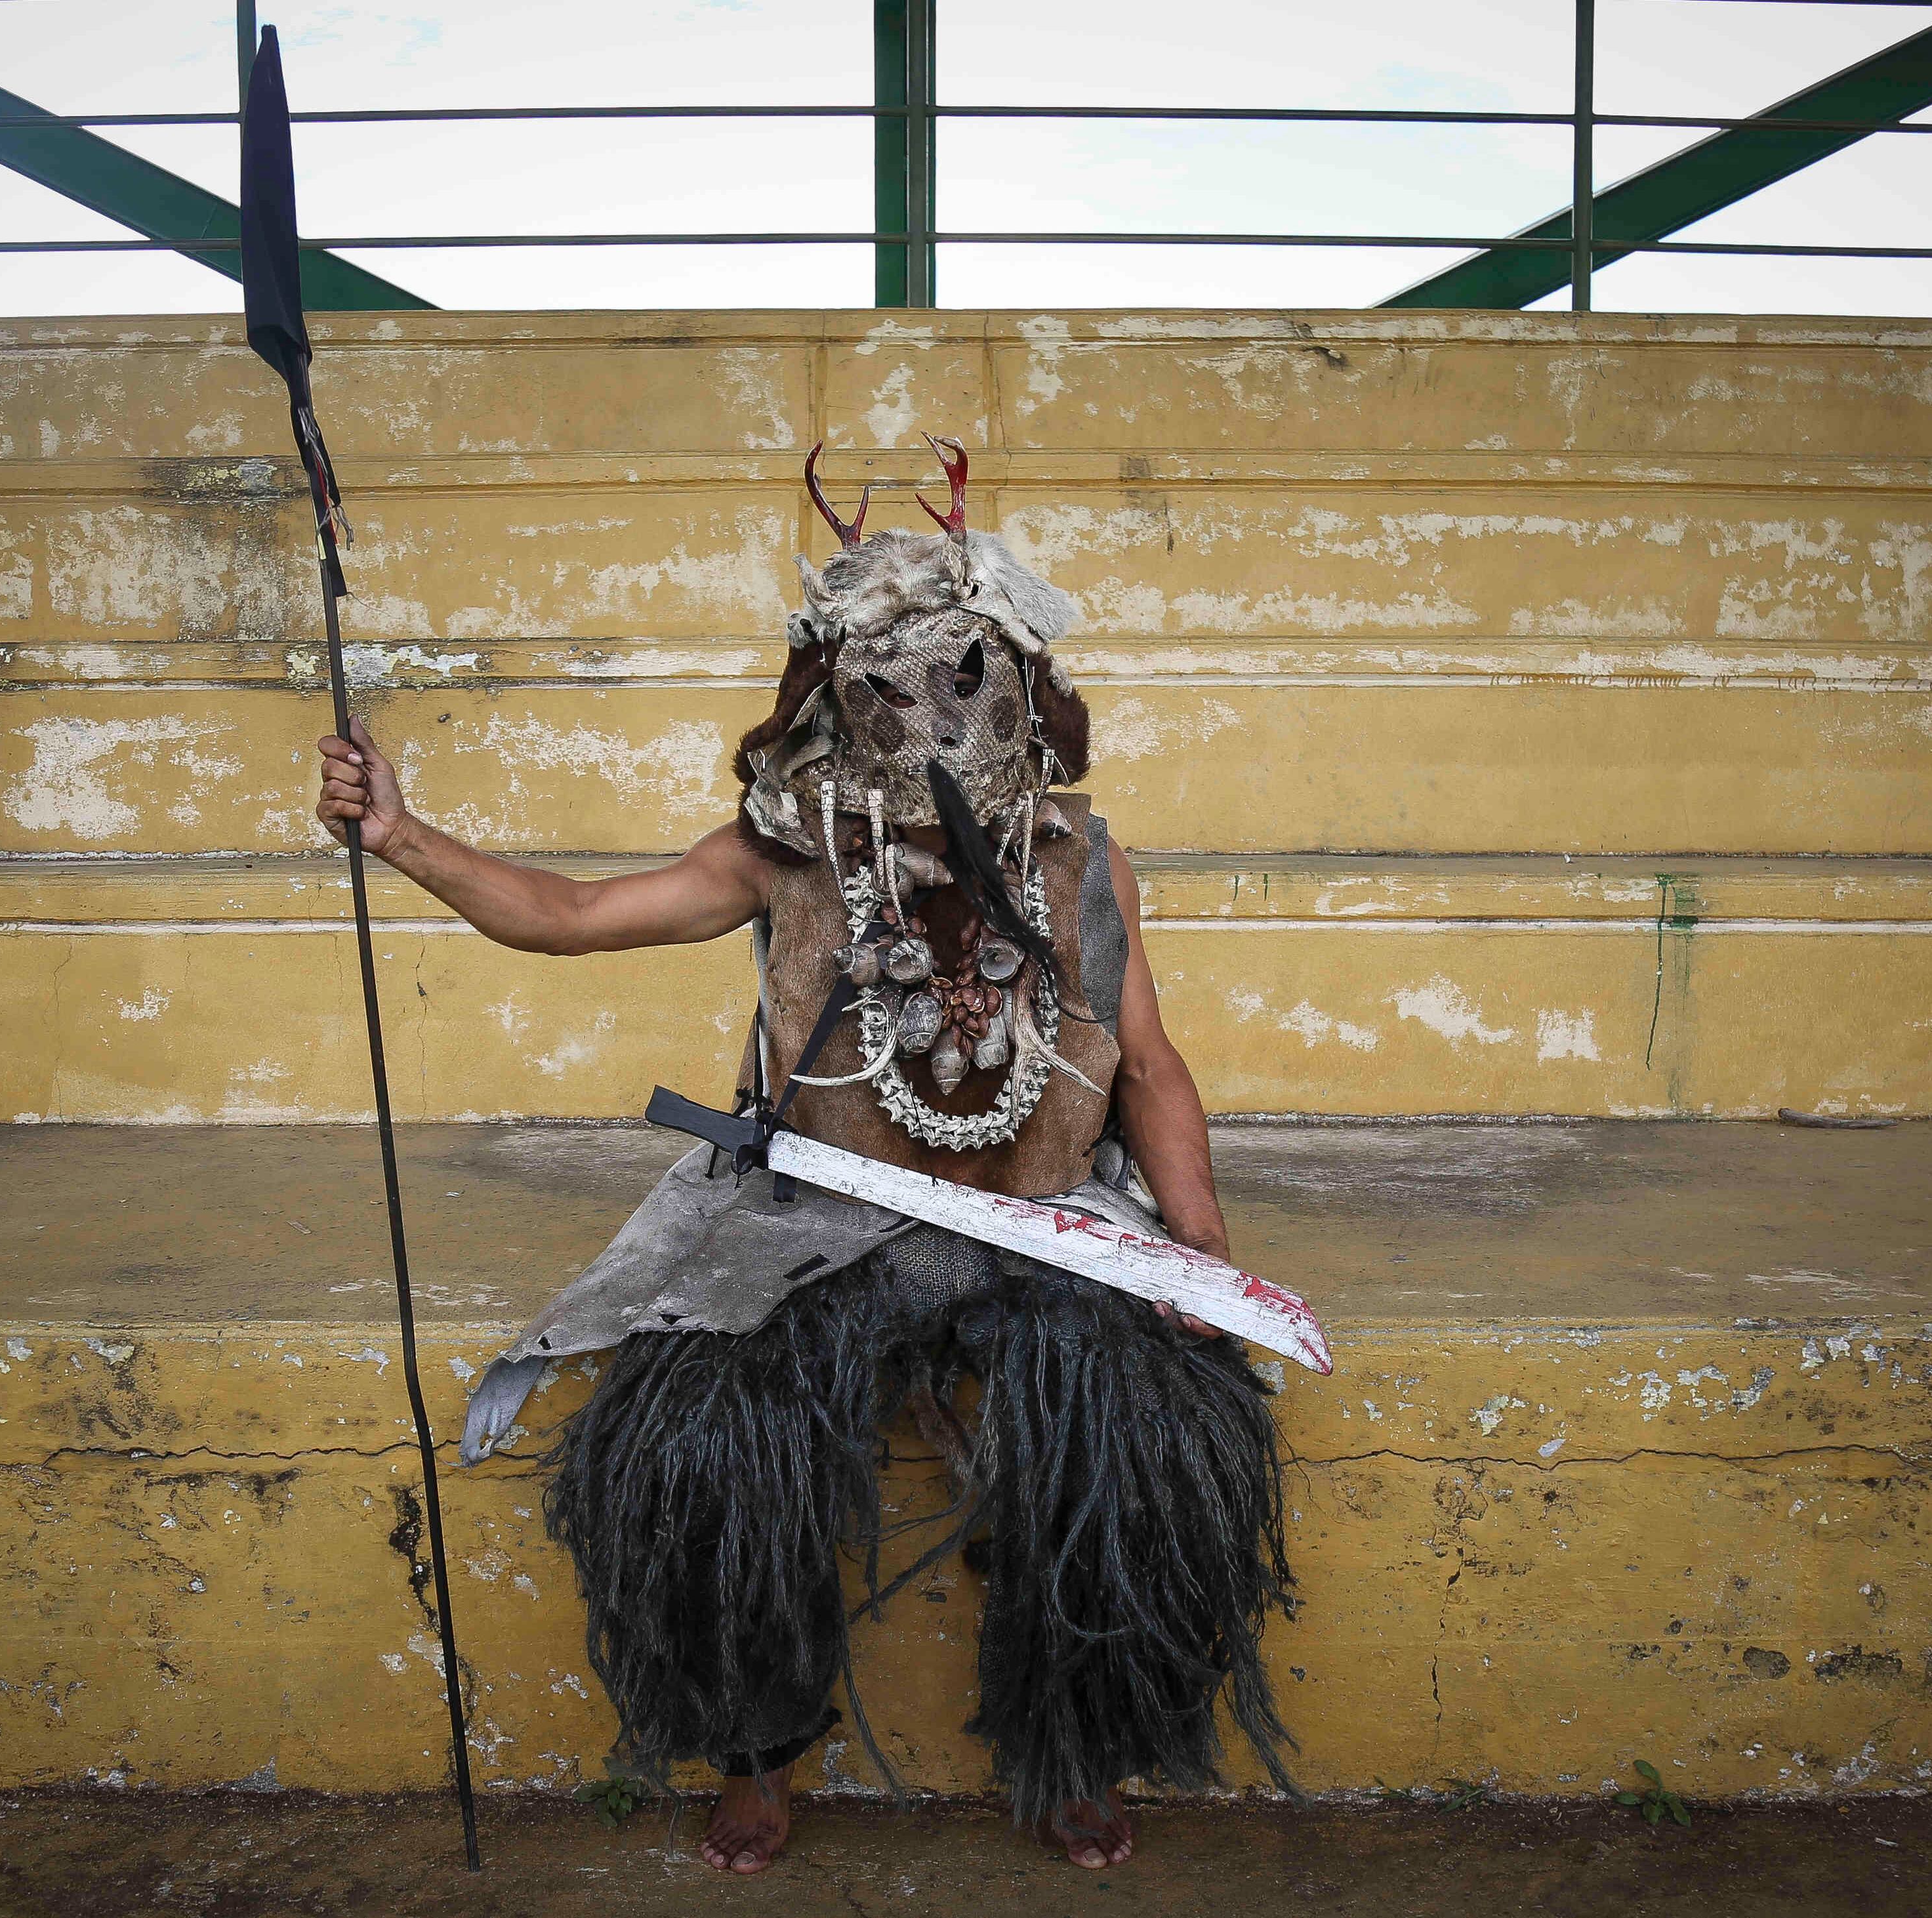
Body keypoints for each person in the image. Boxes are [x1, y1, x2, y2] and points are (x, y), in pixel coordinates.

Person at [315, 440, 1296, 1873]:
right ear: (834, 696)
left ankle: (1074, 1740)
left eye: (967, 675)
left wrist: (1195, 1250)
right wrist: (402, 836)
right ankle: (757, 1747)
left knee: (1157, 1432)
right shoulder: (780, 855)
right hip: (812, 1228)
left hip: (1045, 1223)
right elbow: (574, 912)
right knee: (694, 1441)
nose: (934, 713)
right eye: (892, 684)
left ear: (1023, 681)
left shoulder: (1084, 855)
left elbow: (1147, 1063)